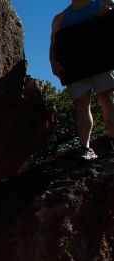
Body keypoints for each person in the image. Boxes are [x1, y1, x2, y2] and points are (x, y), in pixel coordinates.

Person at [50, 0, 114, 160]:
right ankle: (85, 148)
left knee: (106, 97)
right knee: (81, 104)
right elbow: (54, 43)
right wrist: (53, 63)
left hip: (102, 61)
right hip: (74, 68)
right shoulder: (60, 18)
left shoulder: (103, 3)